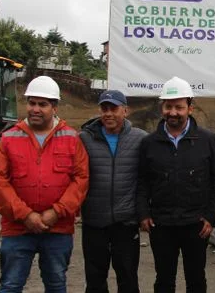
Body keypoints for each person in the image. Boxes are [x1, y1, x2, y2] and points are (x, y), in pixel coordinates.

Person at [0, 75, 89, 292]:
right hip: (17, 229)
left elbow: (80, 180)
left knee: (55, 285)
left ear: (54, 107)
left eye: (42, 104)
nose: (35, 109)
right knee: (10, 285)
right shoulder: (9, 138)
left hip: (58, 229)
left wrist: (56, 212)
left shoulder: (72, 139)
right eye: (32, 103)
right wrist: (26, 215)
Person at [137, 76, 215, 293]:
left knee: (196, 278)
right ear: (162, 108)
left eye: (179, 107)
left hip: (196, 224)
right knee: (164, 280)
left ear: (190, 108)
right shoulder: (149, 143)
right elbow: (142, 181)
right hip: (161, 225)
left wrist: (211, 216)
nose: (173, 112)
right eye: (169, 106)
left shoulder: (207, 140)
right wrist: (143, 214)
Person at [79, 90, 148, 293]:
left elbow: (147, 178)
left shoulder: (140, 139)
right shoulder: (84, 139)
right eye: (104, 108)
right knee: (95, 279)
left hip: (125, 223)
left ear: (125, 110)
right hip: (94, 221)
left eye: (114, 108)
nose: (108, 113)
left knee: (127, 278)